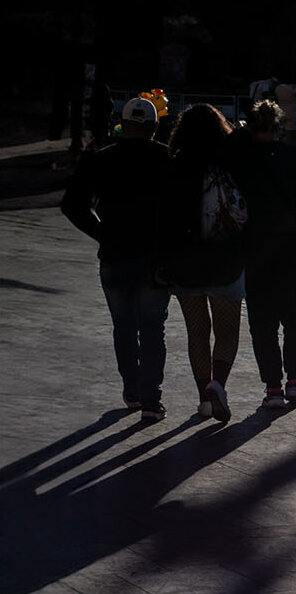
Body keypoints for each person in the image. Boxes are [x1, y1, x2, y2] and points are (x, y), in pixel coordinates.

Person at [61, 97, 174, 421]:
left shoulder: (100, 159)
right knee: (153, 329)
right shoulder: (167, 159)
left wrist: (101, 233)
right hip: (154, 258)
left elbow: (72, 205)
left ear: (123, 124)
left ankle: (132, 391)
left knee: (123, 326)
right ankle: (152, 401)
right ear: (154, 126)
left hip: (114, 255)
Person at [227, 100, 296, 410]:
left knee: (262, 322)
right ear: (280, 127)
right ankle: (295, 382)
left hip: (256, 249)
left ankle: (272, 387)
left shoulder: (241, 158)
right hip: (294, 248)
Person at [164, 103, 245, 422]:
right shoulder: (231, 162)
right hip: (225, 260)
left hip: (185, 263)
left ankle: (204, 400)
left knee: (197, 332)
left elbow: (164, 220)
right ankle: (218, 385)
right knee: (227, 333)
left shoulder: (174, 165)